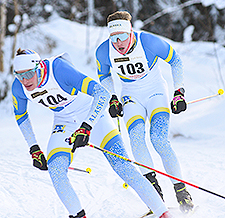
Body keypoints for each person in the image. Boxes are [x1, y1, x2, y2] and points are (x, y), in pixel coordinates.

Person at [12, 48, 172, 218]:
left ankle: (162, 212)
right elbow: (21, 118)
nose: (25, 81)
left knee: (122, 166)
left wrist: (87, 126)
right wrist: (34, 149)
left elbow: (102, 93)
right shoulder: (19, 87)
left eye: (28, 74)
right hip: (64, 122)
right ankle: (78, 215)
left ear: (39, 68)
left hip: (94, 115)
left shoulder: (59, 70)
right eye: (19, 75)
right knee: (56, 170)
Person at [95, 10, 194, 213]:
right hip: (131, 96)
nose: (118, 43)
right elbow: (104, 76)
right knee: (136, 139)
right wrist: (113, 97)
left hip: (155, 92)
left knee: (158, 139)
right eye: (113, 38)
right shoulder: (103, 51)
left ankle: (181, 190)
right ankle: (154, 194)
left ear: (131, 32)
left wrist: (179, 93)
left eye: (122, 37)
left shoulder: (148, 42)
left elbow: (175, 61)